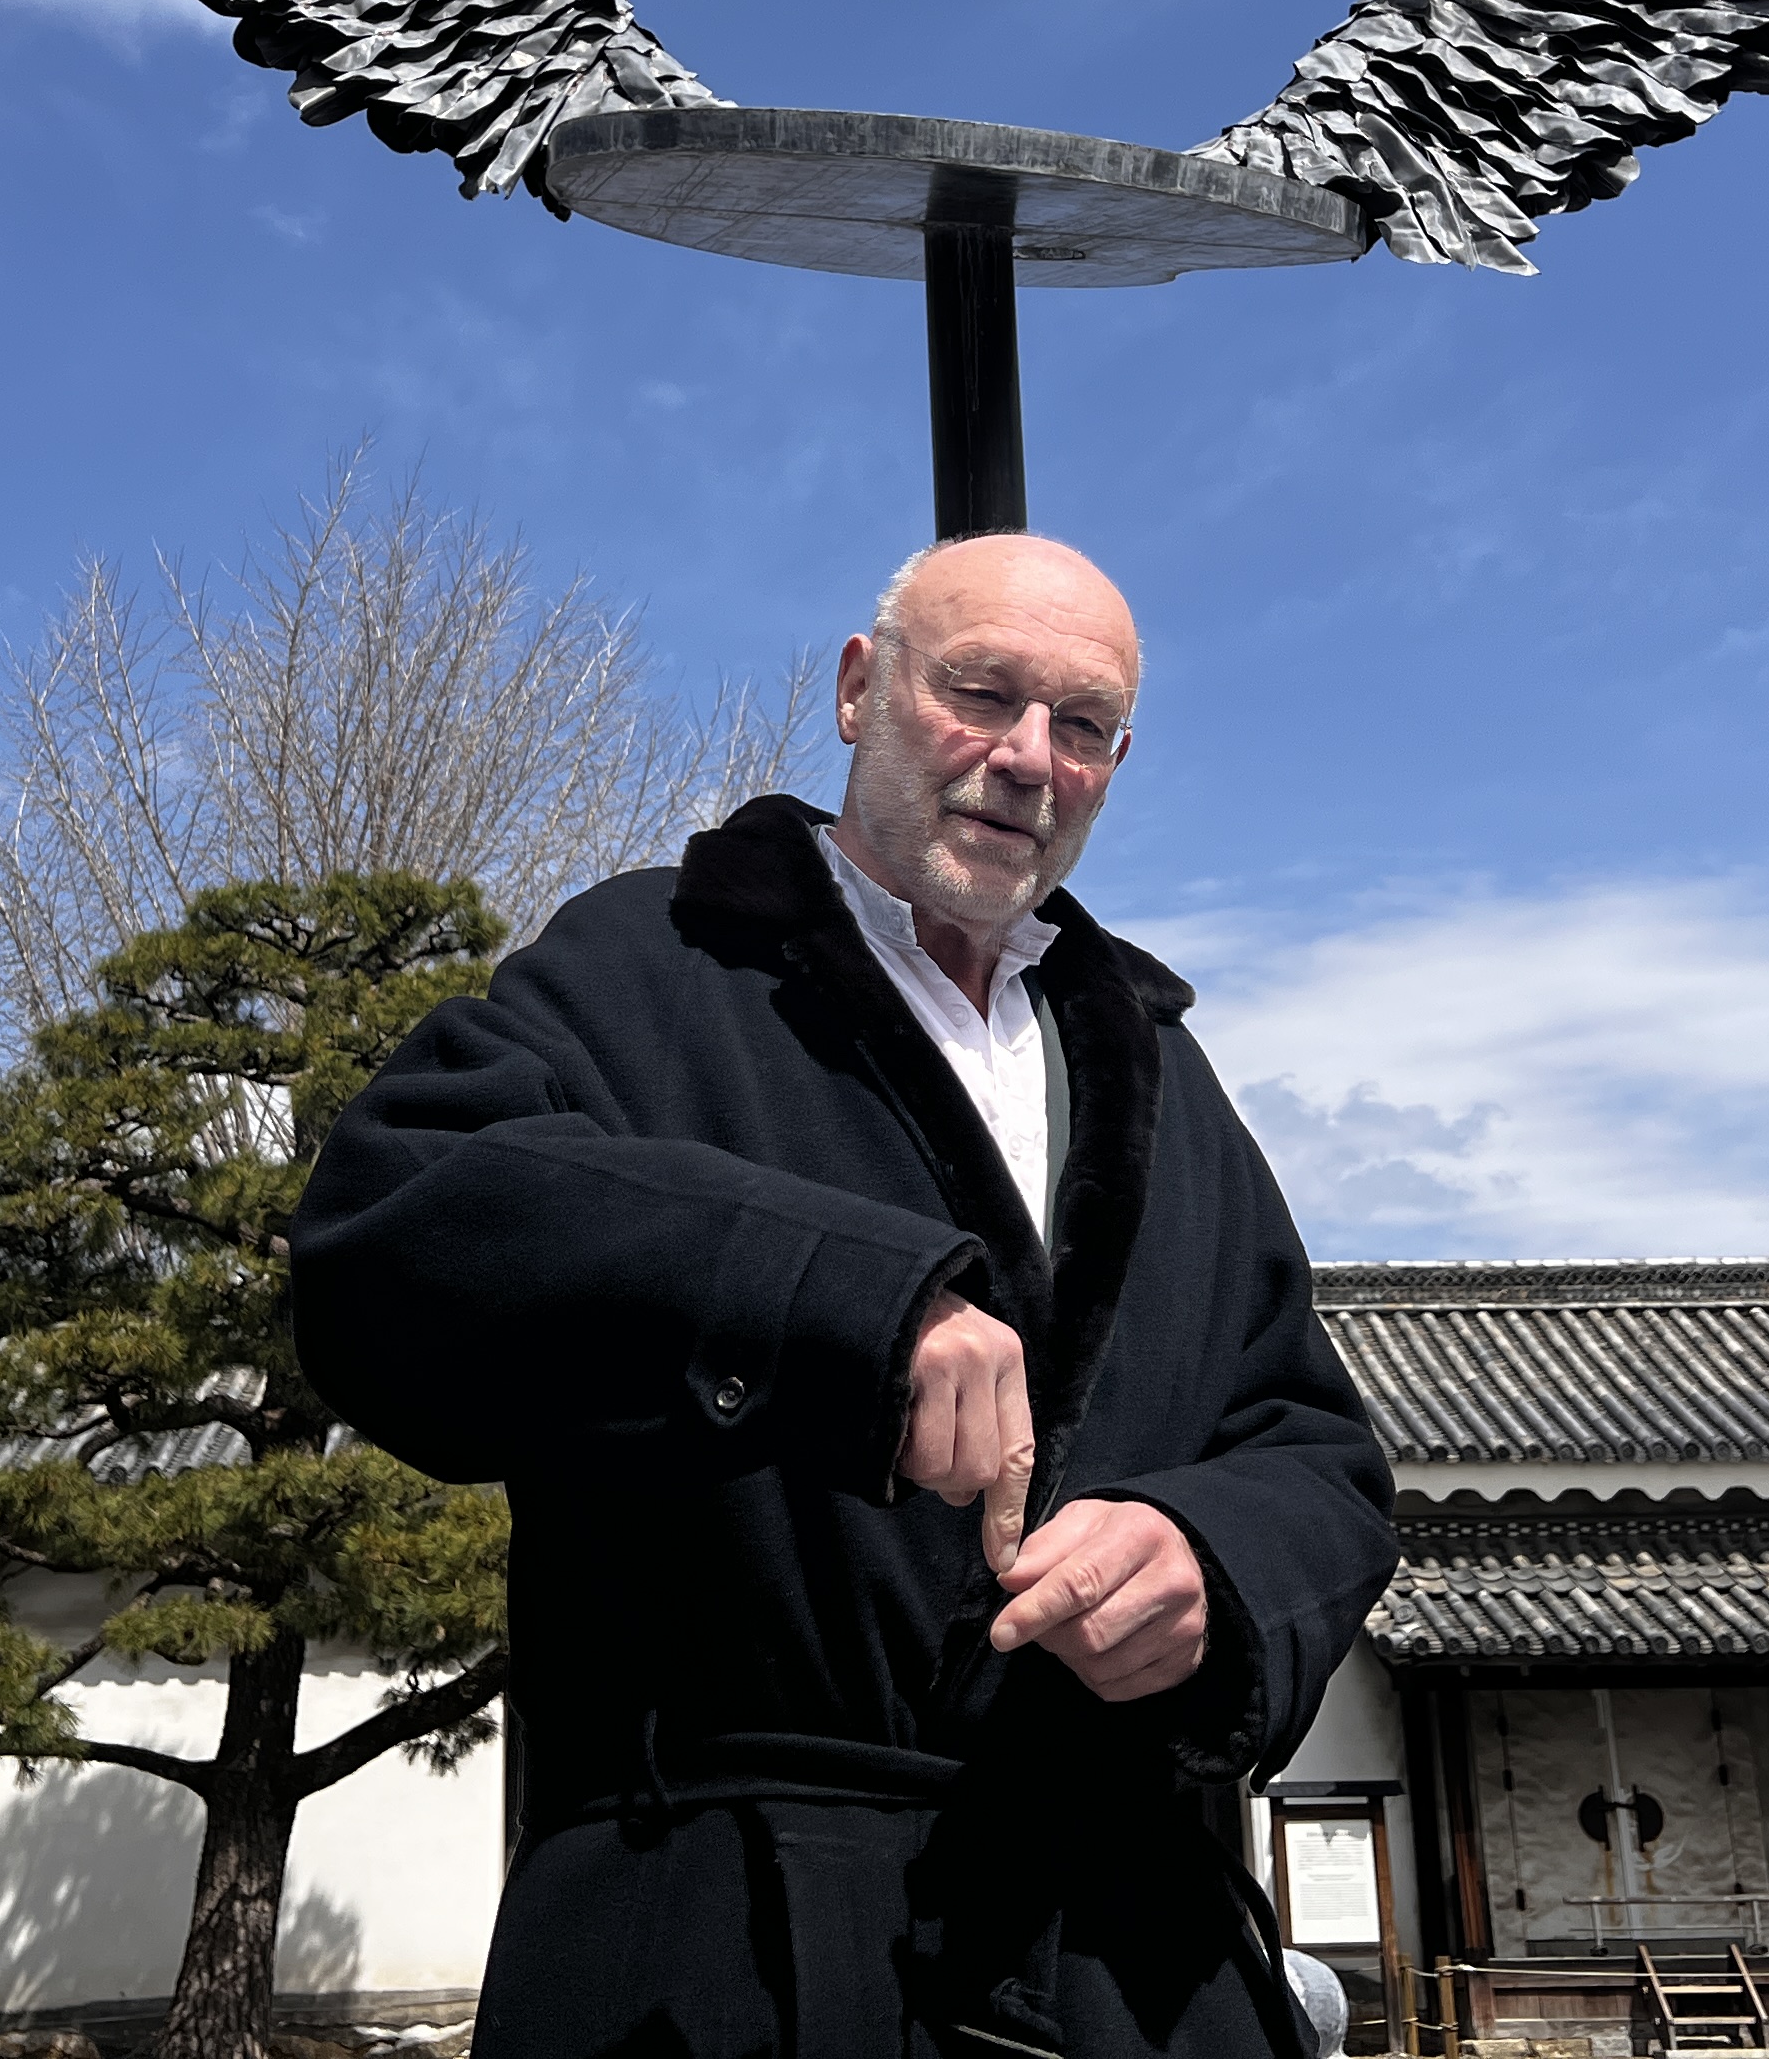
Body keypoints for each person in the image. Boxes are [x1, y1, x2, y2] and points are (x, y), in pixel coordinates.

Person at [297, 533, 1400, 2059]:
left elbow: (1313, 1445)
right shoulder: (654, 961)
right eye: (982, 694)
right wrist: (839, 1302)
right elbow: (395, 1229)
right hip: (729, 1933)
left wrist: (1213, 1566)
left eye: (1084, 726)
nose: (1030, 758)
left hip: (1128, 1941)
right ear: (859, 689)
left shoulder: (1152, 1059)